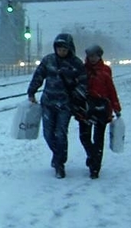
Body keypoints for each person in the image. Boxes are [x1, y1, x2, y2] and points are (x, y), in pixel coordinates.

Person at [27, 33, 87, 179]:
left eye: (64, 48)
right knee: (48, 134)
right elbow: (39, 76)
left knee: (60, 133)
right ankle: (59, 154)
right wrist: (31, 91)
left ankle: (60, 163)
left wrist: (76, 98)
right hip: (48, 103)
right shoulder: (49, 60)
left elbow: (83, 83)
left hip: (65, 105)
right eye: (59, 48)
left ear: (70, 48)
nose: (61, 51)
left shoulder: (76, 63)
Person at [77, 45, 122, 179]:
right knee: (84, 136)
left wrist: (116, 106)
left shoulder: (105, 70)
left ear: (100, 56)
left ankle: (95, 167)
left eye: (95, 56)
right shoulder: (82, 70)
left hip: (101, 107)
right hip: (85, 107)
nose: (92, 58)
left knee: (98, 139)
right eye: (90, 56)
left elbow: (111, 89)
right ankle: (92, 156)